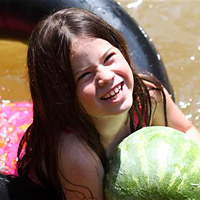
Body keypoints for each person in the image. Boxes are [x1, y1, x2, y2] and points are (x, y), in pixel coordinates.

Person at [17, 8, 200, 200]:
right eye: (85, 75)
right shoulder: (79, 157)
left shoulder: (150, 95)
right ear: (63, 95)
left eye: (108, 58)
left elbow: (186, 130)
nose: (105, 76)